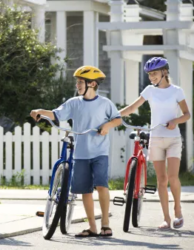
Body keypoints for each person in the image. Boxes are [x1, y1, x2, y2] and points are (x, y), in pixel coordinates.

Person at [30, 66, 121, 237]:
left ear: (92, 84)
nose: (78, 85)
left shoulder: (105, 103)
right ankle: (92, 227)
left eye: (81, 82)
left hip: (100, 151)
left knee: (101, 185)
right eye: (77, 82)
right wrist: (40, 111)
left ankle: (105, 225)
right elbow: (57, 114)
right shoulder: (74, 103)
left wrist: (107, 125)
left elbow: (117, 119)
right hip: (81, 153)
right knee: (85, 190)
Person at [119, 57, 191, 229]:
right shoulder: (150, 90)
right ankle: (166, 219)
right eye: (150, 74)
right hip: (156, 138)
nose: (151, 77)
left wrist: (176, 120)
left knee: (173, 177)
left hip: (173, 139)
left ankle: (178, 209)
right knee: (161, 180)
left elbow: (187, 114)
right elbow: (131, 108)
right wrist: (113, 115)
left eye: (155, 73)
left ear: (164, 72)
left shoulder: (176, 91)